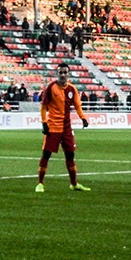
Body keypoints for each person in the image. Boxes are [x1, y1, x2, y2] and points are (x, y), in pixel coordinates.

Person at [36, 63, 91, 193]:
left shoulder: (72, 89)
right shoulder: (51, 87)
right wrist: (44, 123)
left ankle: (74, 184)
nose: (62, 75)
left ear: (68, 74)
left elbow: (77, 106)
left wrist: (83, 118)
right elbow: (43, 107)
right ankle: (40, 183)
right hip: (53, 127)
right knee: (46, 154)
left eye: (65, 72)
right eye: (60, 72)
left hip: (66, 128)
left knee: (70, 155)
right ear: (57, 73)